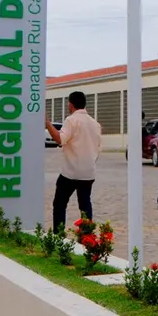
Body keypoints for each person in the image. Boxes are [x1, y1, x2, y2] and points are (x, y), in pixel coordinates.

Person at [44, 91, 102, 232]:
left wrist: (47, 123)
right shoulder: (95, 124)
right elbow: (98, 148)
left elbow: (60, 139)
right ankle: (87, 236)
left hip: (71, 171)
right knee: (85, 205)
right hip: (88, 172)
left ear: (70, 104)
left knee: (60, 204)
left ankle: (59, 236)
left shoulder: (71, 120)